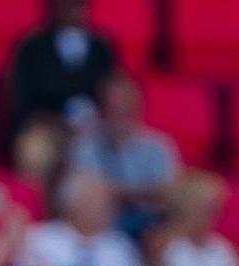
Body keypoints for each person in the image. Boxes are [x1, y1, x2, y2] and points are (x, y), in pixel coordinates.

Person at [68, 74, 183, 235]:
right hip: (104, 227)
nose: (121, 112)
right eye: (115, 107)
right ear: (102, 109)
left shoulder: (159, 146)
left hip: (152, 227)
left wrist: (117, 192)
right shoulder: (85, 146)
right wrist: (145, 193)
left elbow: (171, 193)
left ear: (138, 107)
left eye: (126, 106)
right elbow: (86, 196)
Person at [6, 0, 118, 142]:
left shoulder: (102, 49)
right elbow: (22, 99)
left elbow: (114, 92)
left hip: (94, 130)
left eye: (78, 4)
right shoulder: (33, 48)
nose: (72, 9)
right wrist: (56, 121)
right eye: (65, 4)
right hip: (47, 129)